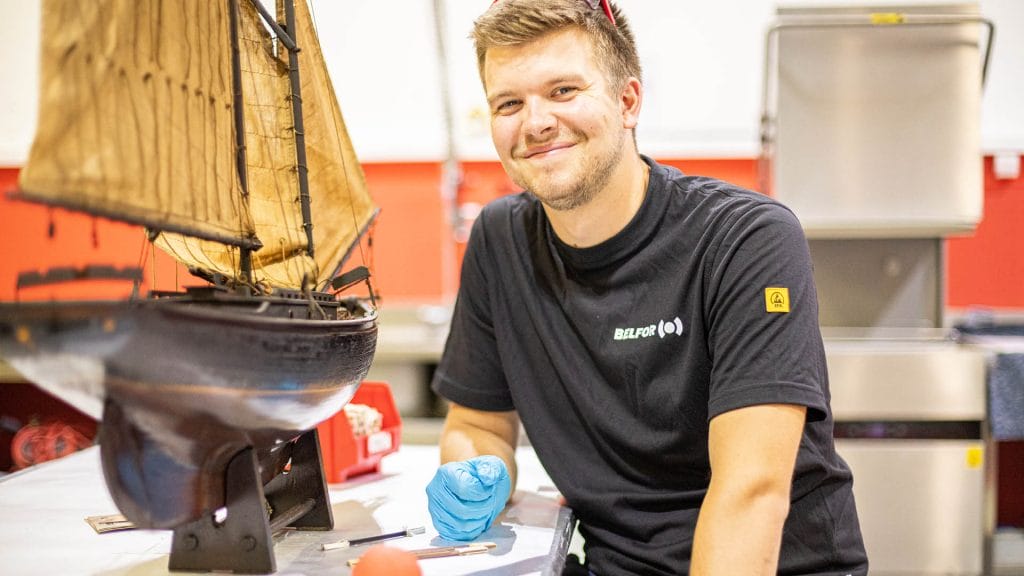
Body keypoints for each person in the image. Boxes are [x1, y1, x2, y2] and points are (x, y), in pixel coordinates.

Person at [424, 1, 869, 574]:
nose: (534, 123)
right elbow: (478, 423)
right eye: (509, 103)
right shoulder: (499, 240)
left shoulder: (744, 239)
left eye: (563, 91)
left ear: (628, 101)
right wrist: (479, 470)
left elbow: (750, 495)